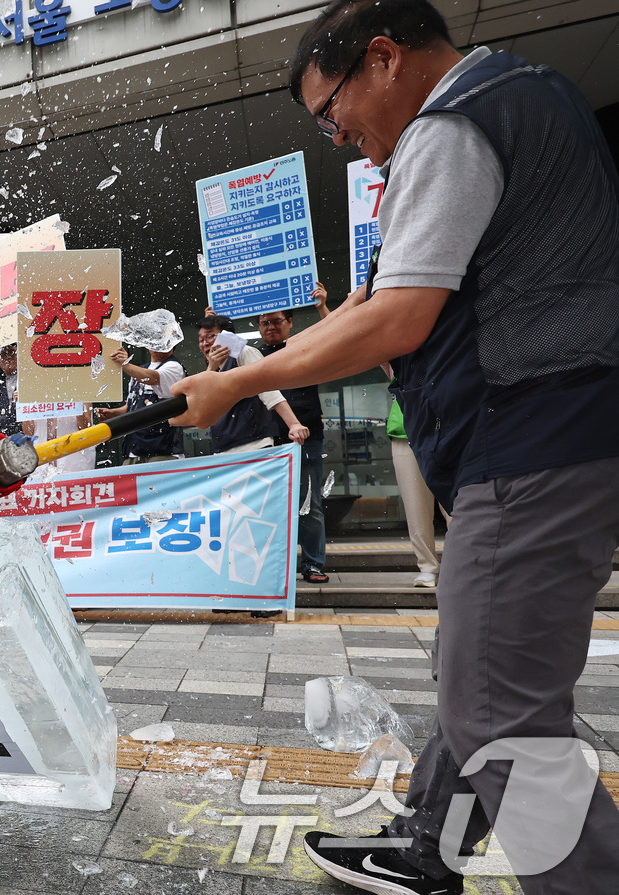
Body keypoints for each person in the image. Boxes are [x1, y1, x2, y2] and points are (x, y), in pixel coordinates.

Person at [172, 1, 619, 891]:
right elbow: (377, 301)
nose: (335, 136)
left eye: (329, 111)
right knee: (477, 663)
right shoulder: (522, 97)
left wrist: (238, 381)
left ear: (382, 59)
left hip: (530, 439)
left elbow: (399, 318)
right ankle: (428, 847)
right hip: (547, 432)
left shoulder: (453, 124)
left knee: (498, 709)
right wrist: (250, 363)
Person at [258, 293, 330, 583]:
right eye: (264, 323)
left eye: (276, 321)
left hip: (305, 439)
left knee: (309, 505)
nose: (270, 327)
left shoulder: (304, 347)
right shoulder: (252, 356)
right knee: (269, 507)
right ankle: (277, 568)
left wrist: (322, 306)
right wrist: (217, 321)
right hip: (265, 441)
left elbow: (334, 336)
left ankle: (313, 564)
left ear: (290, 322)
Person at [195, 316, 308, 454]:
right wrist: (211, 369)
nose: (205, 343)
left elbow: (267, 389)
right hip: (223, 450)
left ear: (227, 337)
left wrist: (294, 424)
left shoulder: (244, 353)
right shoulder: (211, 369)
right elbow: (202, 407)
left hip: (255, 444)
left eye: (211, 336)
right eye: (201, 340)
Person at [386, 388, 449, 587]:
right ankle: (428, 567)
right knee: (415, 506)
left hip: (449, 427)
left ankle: (461, 564)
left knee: (459, 506)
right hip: (405, 431)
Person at [95, 341, 185, 464]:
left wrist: (125, 364)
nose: (155, 343)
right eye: (153, 338)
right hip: (133, 449)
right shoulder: (140, 369)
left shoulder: (174, 367)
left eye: (161, 339)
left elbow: (151, 377)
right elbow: (133, 406)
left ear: (171, 344)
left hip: (163, 450)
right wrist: (113, 413)